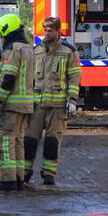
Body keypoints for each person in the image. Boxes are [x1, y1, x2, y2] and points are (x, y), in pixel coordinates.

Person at [23, 16, 80, 185]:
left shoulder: (69, 51)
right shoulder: (36, 51)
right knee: (30, 140)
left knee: (51, 142)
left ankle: (48, 174)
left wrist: (72, 100)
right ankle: (25, 171)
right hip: (37, 104)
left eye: (50, 31)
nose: (47, 34)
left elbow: (74, 76)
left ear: (58, 31)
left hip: (58, 106)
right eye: (45, 30)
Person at [0, 13, 36, 192]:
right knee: (18, 141)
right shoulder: (28, 48)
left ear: (7, 33)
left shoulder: (12, 50)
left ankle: (8, 181)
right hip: (26, 104)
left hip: (11, 104)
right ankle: (19, 178)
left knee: (6, 141)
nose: (0, 39)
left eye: (1, 35)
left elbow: (8, 79)